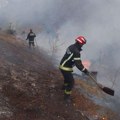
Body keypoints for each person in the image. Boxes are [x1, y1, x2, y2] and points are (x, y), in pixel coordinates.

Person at [59, 36, 89, 100]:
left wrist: (73, 62)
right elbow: (78, 65)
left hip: (62, 65)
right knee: (71, 82)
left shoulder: (71, 46)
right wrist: (85, 71)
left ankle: (64, 87)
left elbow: (69, 56)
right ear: (80, 43)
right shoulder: (76, 52)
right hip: (65, 68)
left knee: (67, 78)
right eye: (82, 44)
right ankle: (66, 97)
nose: (82, 45)